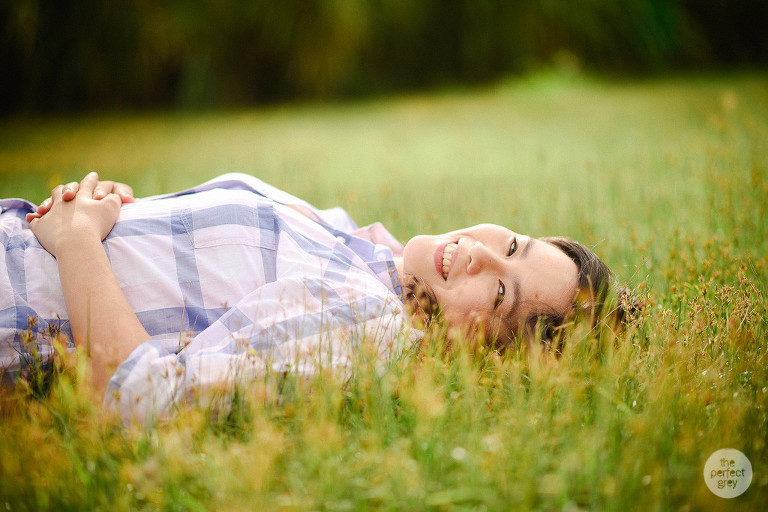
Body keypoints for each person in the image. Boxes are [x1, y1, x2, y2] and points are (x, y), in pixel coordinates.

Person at [2, 172, 618, 423]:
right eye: (512, 243)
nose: (483, 254)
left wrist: (81, 240)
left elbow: (143, 400)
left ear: (485, 352)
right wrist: (124, 212)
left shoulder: (367, 325)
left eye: (502, 292)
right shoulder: (368, 248)